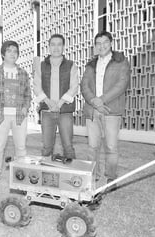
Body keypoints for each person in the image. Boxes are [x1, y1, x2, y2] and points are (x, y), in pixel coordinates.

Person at [81, 31, 131, 188]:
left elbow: (121, 85)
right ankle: (93, 176)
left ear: (110, 43)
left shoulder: (121, 62)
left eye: (105, 42)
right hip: (92, 110)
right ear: (95, 46)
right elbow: (84, 85)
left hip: (111, 110)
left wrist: (101, 100)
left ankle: (111, 177)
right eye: (98, 43)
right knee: (92, 146)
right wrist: (94, 101)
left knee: (111, 146)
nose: (101, 46)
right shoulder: (90, 65)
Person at [0, 40, 32, 184]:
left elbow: (28, 95)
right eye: (9, 50)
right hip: (2, 116)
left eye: (15, 51)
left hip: (19, 116)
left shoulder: (23, 73)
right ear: (3, 54)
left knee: (21, 146)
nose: (12, 53)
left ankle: (20, 173)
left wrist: (25, 108)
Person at [33, 34, 79, 159]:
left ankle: (71, 176)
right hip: (47, 111)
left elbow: (74, 87)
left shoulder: (70, 65)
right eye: (53, 44)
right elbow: (36, 86)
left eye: (59, 44)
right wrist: (48, 102)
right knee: (47, 147)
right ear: (49, 47)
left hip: (65, 111)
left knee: (68, 146)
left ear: (63, 46)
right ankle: (46, 175)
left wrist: (59, 104)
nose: (56, 47)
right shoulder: (41, 66)